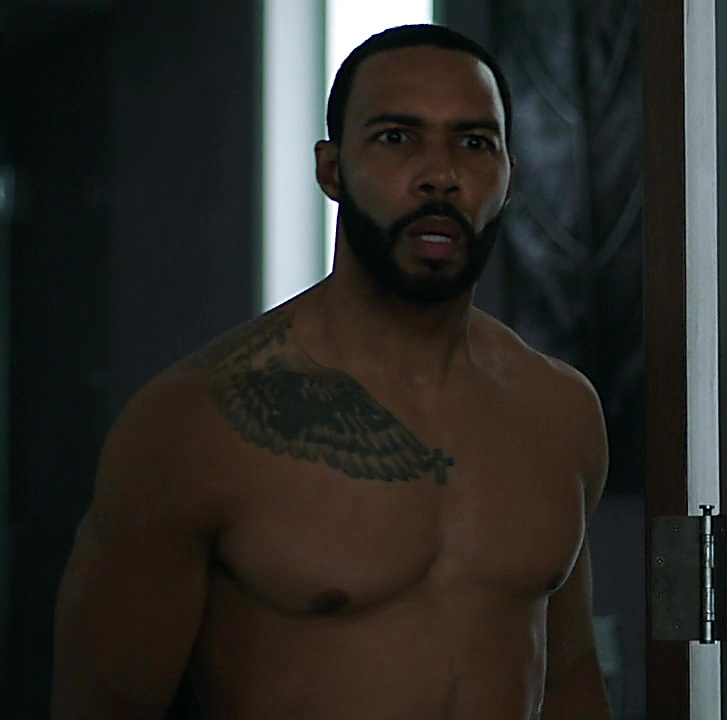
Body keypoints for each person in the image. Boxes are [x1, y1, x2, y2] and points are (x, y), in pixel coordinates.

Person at [52, 24, 612, 719]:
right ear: (331, 169)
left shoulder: (558, 412)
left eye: (474, 143)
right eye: (397, 137)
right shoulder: (197, 423)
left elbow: (568, 681)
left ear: (509, 177)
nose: (440, 174)